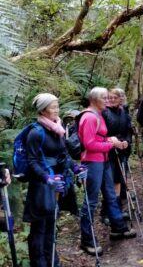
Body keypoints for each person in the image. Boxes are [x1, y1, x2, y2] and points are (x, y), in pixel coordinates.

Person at [23, 93, 87, 267]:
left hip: (57, 183)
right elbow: (33, 161)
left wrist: (75, 167)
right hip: (41, 186)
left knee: (51, 225)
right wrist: (47, 178)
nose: (57, 110)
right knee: (39, 228)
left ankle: (53, 261)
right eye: (53, 107)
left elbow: (63, 154)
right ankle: (39, 263)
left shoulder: (58, 128)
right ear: (43, 110)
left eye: (57, 106)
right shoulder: (36, 132)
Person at [79, 87, 136, 256]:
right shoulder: (89, 117)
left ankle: (118, 227)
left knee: (111, 194)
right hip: (92, 162)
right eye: (104, 97)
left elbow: (99, 138)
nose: (107, 100)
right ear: (95, 99)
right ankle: (87, 240)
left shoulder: (98, 115)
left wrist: (110, 140)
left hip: (103, 160)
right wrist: (111, 144)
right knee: (91, 201)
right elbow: (88, 144)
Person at [101, 88, 132, 223]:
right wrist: (113, 141)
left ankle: (117, 208)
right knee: (110, 181)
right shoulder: (104, 113)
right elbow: (101, 133)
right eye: (110, 97)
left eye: (115, 97)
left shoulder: (123, 112)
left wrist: (127, 141)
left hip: (121, 150)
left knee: (119, 179)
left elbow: (128, 130)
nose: (112, 99)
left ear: (120, 99)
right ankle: (106, 212)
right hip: (108, 151)